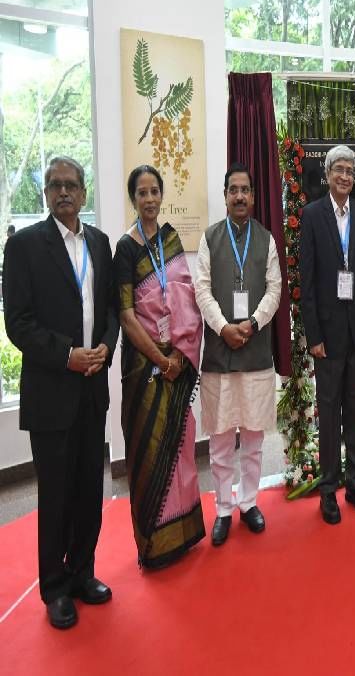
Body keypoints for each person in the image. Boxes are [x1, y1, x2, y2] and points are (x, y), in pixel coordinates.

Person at [2, 156, 118, 629]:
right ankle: (54, 588)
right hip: (52, 391)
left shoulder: (99, 242)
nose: (64, 192)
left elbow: (111, 308)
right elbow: (19, 324)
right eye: (55, 186)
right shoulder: (25, 246)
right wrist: (67, 354)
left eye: (71, 185)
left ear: (84, 194)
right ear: (45, 194)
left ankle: (83, 572)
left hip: (92, 388)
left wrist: (106, 347)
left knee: (90, 488)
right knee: (56, 495)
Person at [114, 165, 206, 568]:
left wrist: (180, 356)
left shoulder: (170, 239)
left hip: (177, 358)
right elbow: (127, 316)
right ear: (133, 199)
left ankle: (183, 532)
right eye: (142, 193)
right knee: (151, 450)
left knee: (181, 442)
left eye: (154, 192)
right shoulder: (126, 248)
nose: (149, 200)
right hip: (145, 367)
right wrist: (160, 359)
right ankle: (154, 544)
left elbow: (185, 299)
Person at [195, 164, 282, 546]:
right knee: (219, 438)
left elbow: (275, 289)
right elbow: (202, 290)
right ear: (225, 194)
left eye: (246, 189)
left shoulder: (267, 239)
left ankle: (248, 503)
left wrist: (251, 324)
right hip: (219, 353)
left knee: (252, 437)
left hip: (256, 350)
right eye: (234, 190)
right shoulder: (210, 238)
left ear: (254, 195)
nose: (240, 196)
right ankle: (224, 509)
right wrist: (224, 328)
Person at [299, 144, 355, 525]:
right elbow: (306, 281)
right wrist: (313, 334)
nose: (345, 176)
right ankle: (328, 490)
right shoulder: (312, 216)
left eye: (350, 170)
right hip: (326, 336)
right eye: (339, 169)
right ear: (328, 174)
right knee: (329, 414)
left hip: (354, 335)